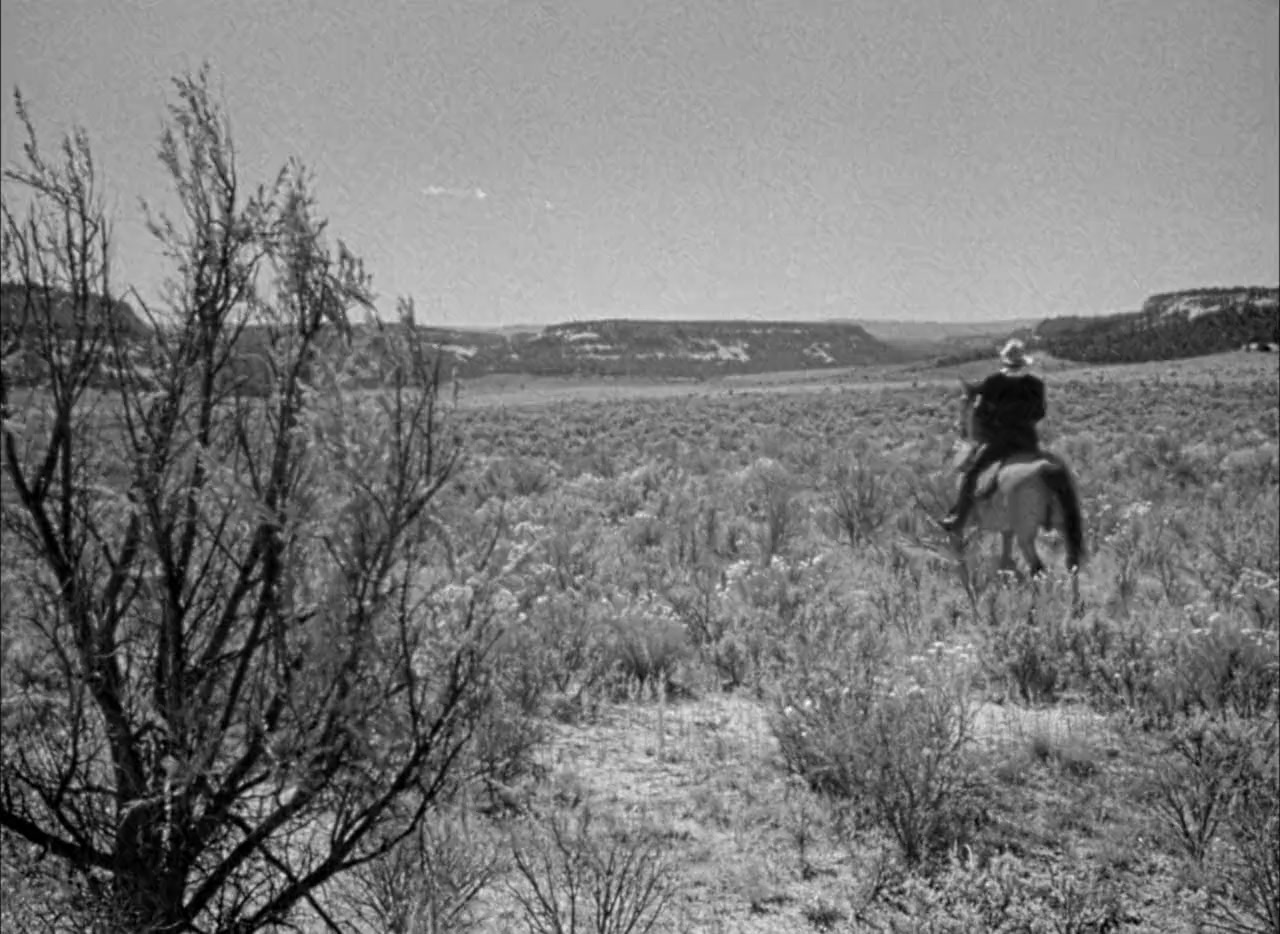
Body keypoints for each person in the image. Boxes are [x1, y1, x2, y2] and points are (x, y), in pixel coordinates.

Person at [940, 338, 1046, 533]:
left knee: (972, 474)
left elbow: (981, 414)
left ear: (1005, 361)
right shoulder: (1036, 384)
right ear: (1023, 362)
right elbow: (1040, 413)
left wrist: (994, 425)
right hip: (1028, 442)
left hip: (1001, 442)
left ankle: (959, 518)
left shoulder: (993, 382)